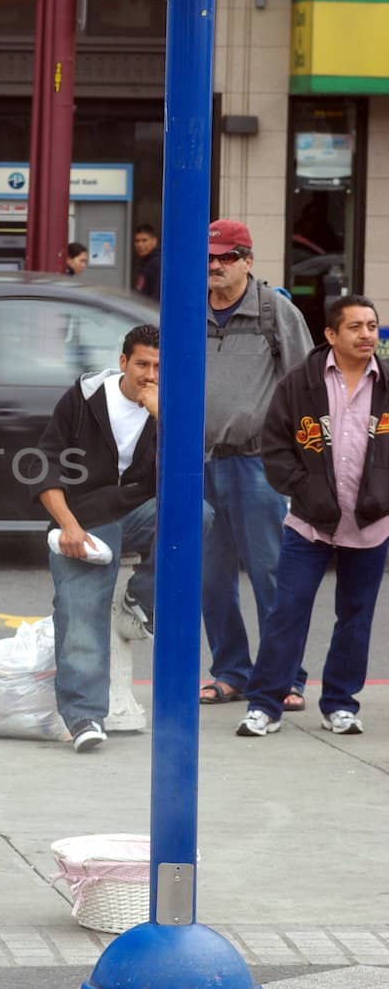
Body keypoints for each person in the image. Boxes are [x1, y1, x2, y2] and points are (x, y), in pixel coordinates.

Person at [236, 297, 389, 739]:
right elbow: (276, 445)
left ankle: (340, 703)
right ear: (331, 335)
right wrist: (304, 490)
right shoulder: (299, 385)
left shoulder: (386, 383)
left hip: (371, 525)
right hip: (309, 523)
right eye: (356, 327)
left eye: (372, 326)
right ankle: (265, 704)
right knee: (288, 610)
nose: (366, 335)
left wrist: (382, 496)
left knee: (356, 616)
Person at [201, 220, 313, 708]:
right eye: (209, 258)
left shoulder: (276, 313)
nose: (215, 267)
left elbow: (306, 388)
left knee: (270, 574)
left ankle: (286, 675)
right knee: (210, 576)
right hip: (198, 465)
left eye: (226, 257)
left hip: (257, 466)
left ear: (247, 260)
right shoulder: (187, 311)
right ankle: (231, 672)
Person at [39, 324, 160, 753]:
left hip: (141, 510)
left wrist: (163, 416)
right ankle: (84, 714)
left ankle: (140, 601)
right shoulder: (85, 398)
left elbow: (185, 482)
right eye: (142, 364)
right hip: (85, 516)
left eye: (159, 367)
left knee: (197, 517)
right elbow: (46, 464)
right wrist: (67, 524)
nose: (150, 375)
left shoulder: (168, 405)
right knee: (80, 605)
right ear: (123, 362)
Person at [133, 223, 161, 300]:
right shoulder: (145, 262)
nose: (140, 245)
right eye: (137, 241)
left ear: (154, 241)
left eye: (144, 240)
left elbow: (157, 296)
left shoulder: (157, 263)